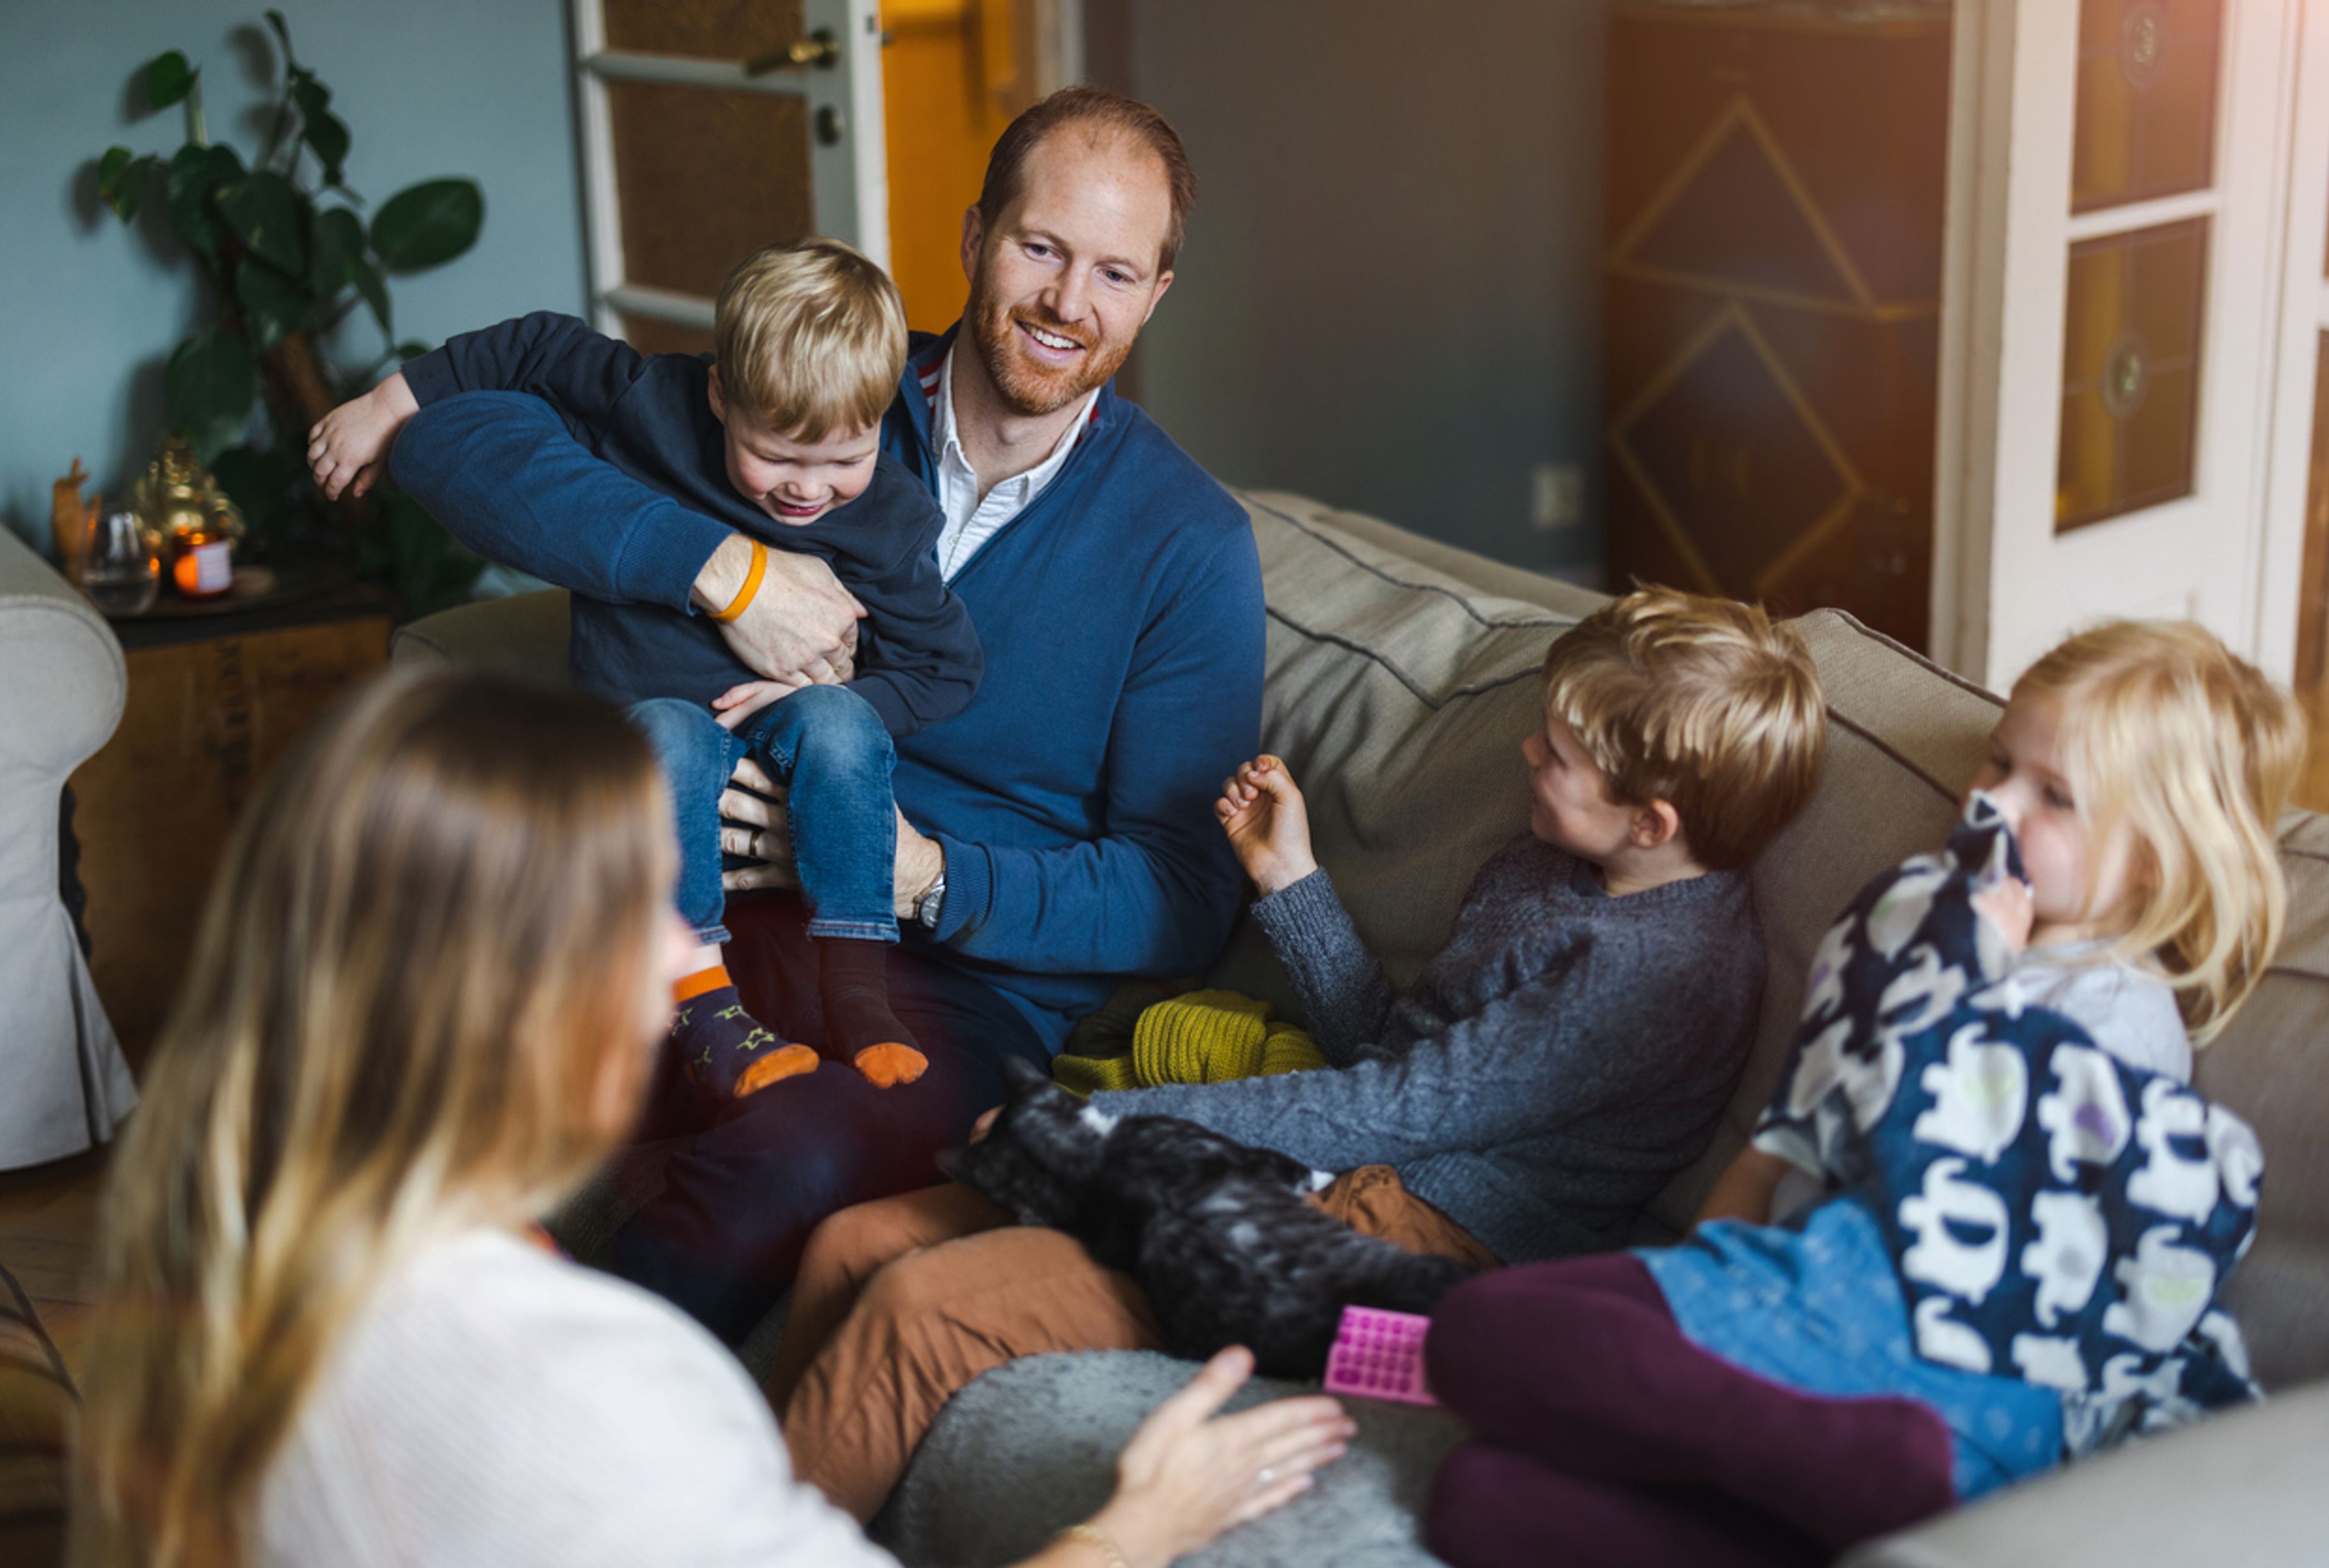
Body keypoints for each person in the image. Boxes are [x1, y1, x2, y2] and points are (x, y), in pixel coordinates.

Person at [71, 668, 1355, 1568]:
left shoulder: (221, 1241)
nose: (683, 962)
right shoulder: (595, 1384)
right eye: (651, 910)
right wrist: (1142, 1526)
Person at [381, 86, 1266, 1342]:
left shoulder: (1187, 545)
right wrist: (724, 569)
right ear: (972, 237)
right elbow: (453, 442)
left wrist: (923, 875)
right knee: (429, 1046)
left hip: (952, 991)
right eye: (1041, 248)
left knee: (786, 1165)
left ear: (1157, 294)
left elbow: (1185, 893)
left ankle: (536, 1437)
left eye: (1116, 271)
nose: (1071, 301)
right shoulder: (816, 387)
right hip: (695, 918)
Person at [764, 586, 1831, 1523]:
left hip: (1414, 1252)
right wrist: (1293, 880)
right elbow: (1397, 1061)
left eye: (1558, 757)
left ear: (1652, 822)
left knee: (926, 1309)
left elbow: (1395, 1112)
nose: (1527, 756)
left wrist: (1106, 1121)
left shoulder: (1660, 977)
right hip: (1337, 1167)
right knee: (854, 1242)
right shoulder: (1546, 864)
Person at [1418, 620, 2303, 1568]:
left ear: (2157, 862)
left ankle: (1887, 1453)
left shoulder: (2117, 1015)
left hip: (1955, 1365)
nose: (1990, 799)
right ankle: (1831, 1486)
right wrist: (1704, 1292)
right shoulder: (1911, 929)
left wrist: (1969, 979)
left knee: (1480, 1334)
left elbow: (1985, 1226)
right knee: (1479, 1498)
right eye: (1999, 758)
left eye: (2053, 796)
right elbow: (1775, 1157)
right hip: (1802, 1304)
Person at [308, 238, 976, 1104]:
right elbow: (534, 347)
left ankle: (858, 993)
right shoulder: (651, 405)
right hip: (650, 732)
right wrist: (388, 401)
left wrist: (838, 690)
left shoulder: (886, 515)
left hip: (785, 745)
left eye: (842, 461)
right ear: (719, 395)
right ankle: (700, 1005)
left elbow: (946, 666)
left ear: (882, 420)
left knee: (843, 725)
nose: (806, 491)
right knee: (667, 733)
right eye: (775, 455)